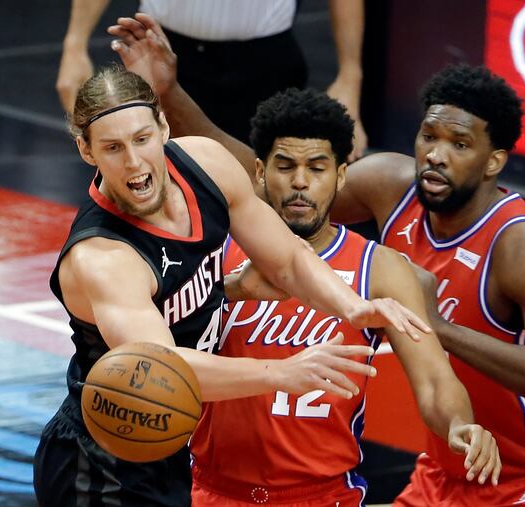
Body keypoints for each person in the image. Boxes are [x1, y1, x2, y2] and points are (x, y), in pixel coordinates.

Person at [109, 18, 525, 505]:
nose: (435, 155)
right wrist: (169, 94)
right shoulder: (387, 186)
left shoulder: (520, 244)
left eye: (459, 145)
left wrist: (431, 328)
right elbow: (265, 181)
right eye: (429, 137)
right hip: (435, 471)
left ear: (493, 160)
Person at [32, 65, 429, 507]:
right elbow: (164, 371)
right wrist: (283, 372)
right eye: (112, 147)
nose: (133, 162)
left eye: (142, 139)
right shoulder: (102, 257)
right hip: (102, 458)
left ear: (163, 126)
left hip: (167, 447)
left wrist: (350, 306)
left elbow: (289, 259)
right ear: (86, 151)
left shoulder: (206, 163)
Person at [189, 88, 500, 506]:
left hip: (322, 495)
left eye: (316, 168)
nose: (300, 182)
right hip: (211, 489)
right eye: (286, 166)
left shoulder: (381, 268)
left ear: (340, 176)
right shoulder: (217, 245)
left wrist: (459, 424)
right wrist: (227, 290)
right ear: (260, 173)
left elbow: (434, 380)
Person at [57, 1, 367, 158]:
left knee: (265, 198)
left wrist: (349, 77)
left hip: (267, 66)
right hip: (158, 53)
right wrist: (74, 43)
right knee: (149, 186)